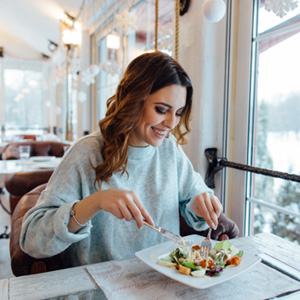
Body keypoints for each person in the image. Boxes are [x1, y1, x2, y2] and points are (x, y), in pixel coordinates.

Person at [20, 51, 233, 269]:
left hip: (165, 281)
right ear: (133, 100)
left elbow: (196, 196)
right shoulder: (86, 152)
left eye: (178, 112)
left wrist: (199, 203)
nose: (171, 123)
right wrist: (95, 202)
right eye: (161, 110)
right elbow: (31, 240)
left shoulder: (170, 150)